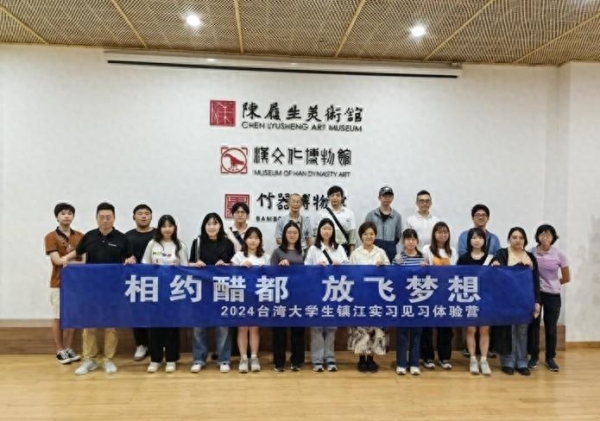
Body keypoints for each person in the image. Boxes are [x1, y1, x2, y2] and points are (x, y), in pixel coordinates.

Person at [63, 202, 136, 376]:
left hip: (113, 289)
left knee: (111, 326)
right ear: (96, 218)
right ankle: (90, 359)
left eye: (108, 217)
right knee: (89, 325)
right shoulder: (89, 236)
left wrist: (131, 260)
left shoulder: (122, 238)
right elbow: (78, 251)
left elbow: (131, 257)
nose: (105, 220)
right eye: (101, 217)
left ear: (114, 218)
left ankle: (108, 359)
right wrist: (65, 259)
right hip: (91, 288)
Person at [188, 212, 236, 374]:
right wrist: (196, 264)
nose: (212, 227)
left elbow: (234, 266)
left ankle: (224, 359)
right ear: (204, 226)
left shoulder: (228, 243)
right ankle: (198, 359)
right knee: (199, 326)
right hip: (201, 289)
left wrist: (226, 265)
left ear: (220, 226)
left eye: (215, 223)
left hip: (222, 289)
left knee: (223, 326)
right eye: (208, 224)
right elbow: (189, 264)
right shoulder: (197, 242)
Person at [492, 227, 541, 376]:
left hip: (525, 300)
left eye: (520, 237)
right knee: (509, 330)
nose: (517, 240)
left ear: (525, 240)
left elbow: (535, 281)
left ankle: (522, 361)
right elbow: (495, 271)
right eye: (514, 237)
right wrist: (495, 265)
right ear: (509, 239)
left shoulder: (530, 257)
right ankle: (508, 361)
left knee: (522, 331)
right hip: (507, 299)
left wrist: (537, 301)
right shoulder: (502, 253)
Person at [142, 215, 188, 373]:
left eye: (170, 226)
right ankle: (155, 359)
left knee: (171, 326)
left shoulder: (180, 245)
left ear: (174, 228)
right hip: (155, 290)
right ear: (159, 228)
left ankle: (171, 359)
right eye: (164, 226)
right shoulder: (152, 244)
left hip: (174, 291)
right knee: (155, 326)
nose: (167, 229)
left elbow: (185, 268)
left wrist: (177, 269)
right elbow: (144, 265)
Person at [457, 204, 501, 358]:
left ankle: (484, 352)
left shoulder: (494, 238)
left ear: (488, 218)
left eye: (484, 215)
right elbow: (462, 257)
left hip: (487, 287)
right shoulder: (464, 236)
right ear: (472, 217)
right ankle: (469, 349)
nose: (480, 217)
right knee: (470, 322)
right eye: (477, 215)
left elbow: (498, 258)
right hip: (470, 285)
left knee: (485, 323)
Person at [305, 218, 348, 372]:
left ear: (333, 231)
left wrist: (340, 266)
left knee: (331, 327)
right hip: (316, 292)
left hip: (334, 292)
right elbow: (306, 270)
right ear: (319, 231)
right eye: (324, 228)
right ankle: (317, 360)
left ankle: (330, 359)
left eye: (329, 229)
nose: (327, 231)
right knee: (316, 327)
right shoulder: (313, 249)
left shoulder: (339, 248)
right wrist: (316, 267)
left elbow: (348, 268)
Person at [44, 202, 84, 364]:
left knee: (72, 317)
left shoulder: (80, 236)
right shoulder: (50, 237)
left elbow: (85, 261)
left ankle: (68, 348)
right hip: (58, 282)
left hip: (76, 284)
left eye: (69, 213)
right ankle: (59, 350)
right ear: (57, 217)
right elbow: (57, 261)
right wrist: (71, 261)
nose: (66, 216)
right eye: (63, 213)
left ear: (73, 216)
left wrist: (67, 260)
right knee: (59, 317)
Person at [348, 222, 390, 373]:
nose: (369, 236)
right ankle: (361, 358)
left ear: (375, 235)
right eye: (366, 234)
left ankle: (371, 358)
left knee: (375, 327)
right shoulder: (355, 253)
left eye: (371, 234)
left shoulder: (381, 252)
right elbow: (350, 275)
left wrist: (384, 266)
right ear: (361, 236)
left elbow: (390, 273)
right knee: (360, 328)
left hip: (377, 295)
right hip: (360, 295)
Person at [528, 224, 570, 372]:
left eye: (548, 234)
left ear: (553, 237)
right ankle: (533, 357)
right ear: (537, 236)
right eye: (542, 234)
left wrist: (553, 284)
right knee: (533, 326)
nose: (545, 237)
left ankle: (550, 358)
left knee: (551, 327)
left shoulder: (559, 254)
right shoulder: (531, 252)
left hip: (553, 295)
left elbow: (566, 277)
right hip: (535, 295)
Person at [231, 227, 269, 373]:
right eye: (250, 237)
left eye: (256, 238)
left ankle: (254, 357)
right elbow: (230, 275)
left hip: (258, 297)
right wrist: (240, 267)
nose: (253, 241)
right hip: (242, 297)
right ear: (245, 240)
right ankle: (243, 358)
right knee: (242, 328)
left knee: (254, 328)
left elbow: (272, 277)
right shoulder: (238, 256)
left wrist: (265, 270)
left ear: (260, 241)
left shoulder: (265, 257)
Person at [457, 227, 493, 376]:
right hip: (469, 298)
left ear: (484, 240)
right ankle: (472, 359)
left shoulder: (491, 259)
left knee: (484, 329)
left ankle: (483, 360)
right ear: (469, 240)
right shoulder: (463, 259)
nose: (477, 240)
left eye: (480, 237)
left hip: (486, 298)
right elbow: (457, 278)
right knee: (471, 329)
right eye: (473, 237)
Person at [421, 222, 457, 370]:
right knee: (427, 327)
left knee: (445, 327)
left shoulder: (452, 251)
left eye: (445, 232)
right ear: (434, 234)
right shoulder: (426, 249)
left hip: (447, 292)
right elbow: (423, 266)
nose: (442, 235)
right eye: (439, 232)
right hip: (430, 291)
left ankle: (445, 357)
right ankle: (428, 357)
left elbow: (455, 271)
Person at [271, 221, 305, 372]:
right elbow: (270, 274)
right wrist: (280, 267)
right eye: (289, 232)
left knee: (298, 330)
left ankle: (297, 360)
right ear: (284, 234)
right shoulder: (277, 252)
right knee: (279, 331)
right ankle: (279, 362)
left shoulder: (303, 252)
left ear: (299, 235)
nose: (292, 235)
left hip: (299, 295)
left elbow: (308, 273)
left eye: (295, 233)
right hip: (281, 296)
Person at [125, 203, 156, 361]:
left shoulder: (159, 234)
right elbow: (121, 257)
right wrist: (126, 260)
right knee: (137, 313)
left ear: (151, 216)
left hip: (158, 281)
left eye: (146, 213)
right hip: (136, 281)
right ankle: (141, 344)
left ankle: (158, 345)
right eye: (140, 213)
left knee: (157, 313)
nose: (143, 216)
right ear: (134, 217)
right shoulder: (127, 237)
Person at [394, 229, 426, 376]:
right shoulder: (398, 258)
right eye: (408, 239)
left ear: (417, 241)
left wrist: (426, 269)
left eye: (413, 239)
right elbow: (392, 279)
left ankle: (414, 363)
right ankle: (401, 363)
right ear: (403, 241)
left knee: (417, 334)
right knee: (402, 333)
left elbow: (429, 280)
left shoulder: (422, 258)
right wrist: (397, 266)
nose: (411, 242)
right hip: (402, 300)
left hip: (419, 301)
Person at [364, 186, 402, 263]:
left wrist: (390, 245)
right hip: (374, 249)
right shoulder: (371, 215)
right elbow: (365, 234)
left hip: (391, 250)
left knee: (390, 269)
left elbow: (398, 236)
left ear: (392, 198)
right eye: (384, 196)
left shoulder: (397, 216)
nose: (387, 198)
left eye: (389, 196)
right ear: (379, 197)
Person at [316, 185, 356, 256]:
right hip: (326, 250)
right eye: (332, 195)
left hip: (343, 249)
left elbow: (352, 237)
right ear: (328, 197)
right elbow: (317, 235)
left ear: (342, 197)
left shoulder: (349, 213)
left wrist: (351, 255)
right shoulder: (322, 214)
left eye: (338, 195)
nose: (335, 197)